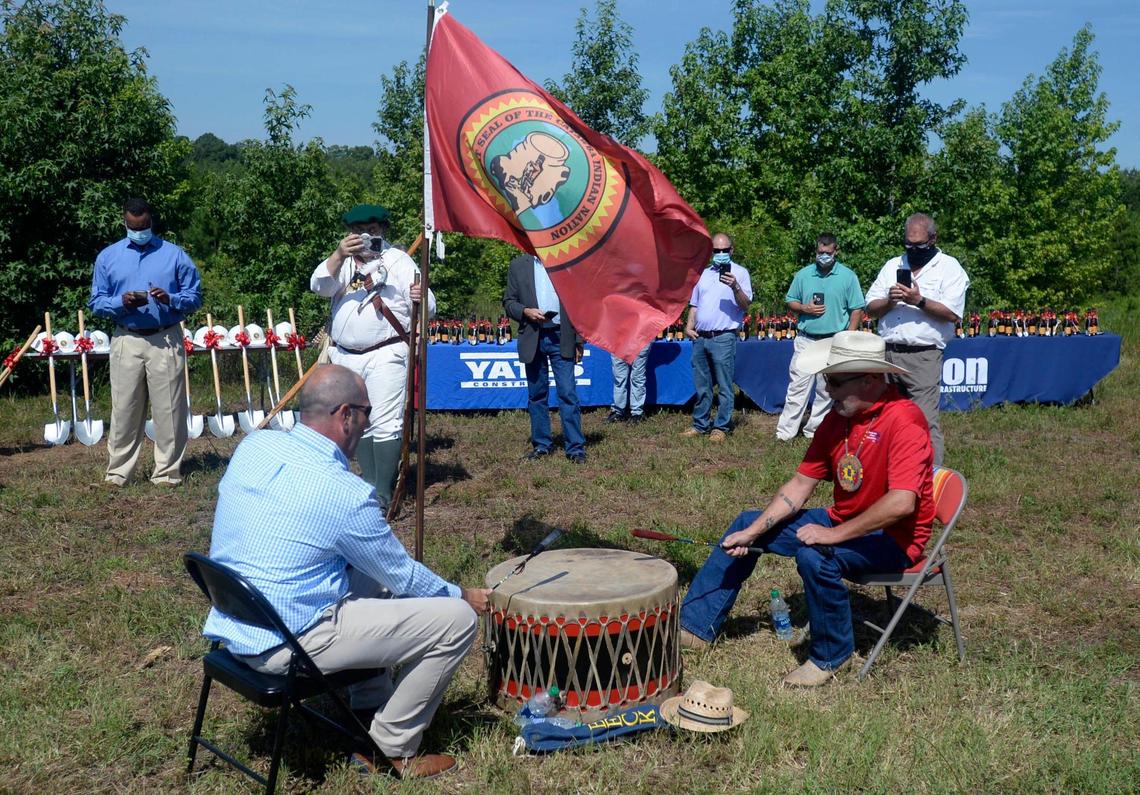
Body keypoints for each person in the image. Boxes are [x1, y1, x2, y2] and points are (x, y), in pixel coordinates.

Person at [203, 364, 490, 779]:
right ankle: (392, 748)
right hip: (287, 642)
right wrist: (462, 595)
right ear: (346, 415)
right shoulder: (345, 494)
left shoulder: (255, 445)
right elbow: (403, 577)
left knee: (364, 568)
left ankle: (367, 701)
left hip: (237, 622)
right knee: (456, 622)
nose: (369, 423)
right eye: (367, 413)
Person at [678, 331, 935, 687]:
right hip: (845, 521)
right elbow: (799, 486)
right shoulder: (836, 421)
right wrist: (755, 533)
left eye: (835, 381)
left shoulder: (904, 420)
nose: (828, 389)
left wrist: (832, 535)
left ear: (871, 379)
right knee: (748, 521)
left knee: (816, 557)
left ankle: (830, 656)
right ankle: (693, 627)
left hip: (894, 540)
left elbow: (901, 503)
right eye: (826, 379)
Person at [310, 204, 435, 509]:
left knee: (385, 420)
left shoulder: (399, 261)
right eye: (358, 231)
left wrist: (421, 295)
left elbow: (428, 305)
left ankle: (383, 490)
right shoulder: (343, 262)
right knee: (355, 419)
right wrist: (339, 255)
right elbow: (319, 286)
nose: (366, 236)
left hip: (386, 353)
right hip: (346, 355)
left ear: (383, 230)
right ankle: (368, 482)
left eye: (373, 230)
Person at [89, 197, 202, 486]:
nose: (139, 231)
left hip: (165, 337)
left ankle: (166, 473)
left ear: (151, 222)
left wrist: (171, 298)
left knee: (169, 410)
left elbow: (195, 296)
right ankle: (118, 473)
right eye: (132, 226)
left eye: (144, 226)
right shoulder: (108, 257)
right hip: (127, 337)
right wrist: (121, 302)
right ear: (124, 222)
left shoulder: (174, 255)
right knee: (124, 409)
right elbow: (97, 301)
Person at [864, 213, 969, 465]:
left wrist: (918, 301)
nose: (913, 250)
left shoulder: (949, 268)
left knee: (922, 421)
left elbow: (953, 313)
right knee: (886, 420)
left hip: (923, 356)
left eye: (919, 245)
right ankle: (893, 474)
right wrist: (891, 301)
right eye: (908, 245)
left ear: (933, 239)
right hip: (888, 353)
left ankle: (931, 480)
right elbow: (870, 307)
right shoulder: (893, 265)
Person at [776, 233, 865, 441]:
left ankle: (815, 431)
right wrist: (804, 308)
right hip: (806, 338)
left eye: (827, 252)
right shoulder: (804, 274)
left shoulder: (848, 276)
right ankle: (785, 434)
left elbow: (857, 309)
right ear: (815, 251)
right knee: (798, 386)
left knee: (826, 390)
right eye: (820, 252)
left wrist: (848, 336)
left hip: (833, 339)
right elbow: (790, 300)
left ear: (836, 251)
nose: (823, 256)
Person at [503, 253, 586, 463]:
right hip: (533, 335)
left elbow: (578, 303)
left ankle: (575, 448)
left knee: (568, 393)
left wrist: (579, 340)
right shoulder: (517, 265)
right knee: (537, 394)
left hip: (562, 336)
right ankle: (541, 445)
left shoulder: (565, 260)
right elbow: (509, 302)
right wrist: (525, 311)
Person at [682, 233, 752, 441]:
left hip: (723, 337)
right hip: (701, 337)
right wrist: (689, 325)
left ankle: (721, 427)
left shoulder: (740, 273)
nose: (720, 254)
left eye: (724, 250)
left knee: (723, 384)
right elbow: (695, 304)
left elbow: (746, 305)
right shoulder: (702, 274)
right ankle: (700, 424)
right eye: (716, 250)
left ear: (731, 250)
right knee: (702, 385)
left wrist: (734, 286)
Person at [606, 342, 652, 425]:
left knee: (637, 378)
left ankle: (637, 413)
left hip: (641, 338)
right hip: (619, 339)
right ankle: (618, 411)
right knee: (619, 378)